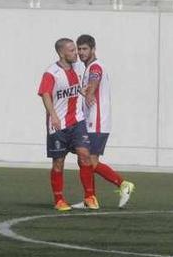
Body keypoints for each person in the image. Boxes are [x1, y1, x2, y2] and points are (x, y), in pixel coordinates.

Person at [75, 34, 136, 209]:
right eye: (79, 49)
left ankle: (124, 184)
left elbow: (95, 79)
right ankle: (89, 199)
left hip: (98, 121)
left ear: (93, 49)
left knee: (90, 161)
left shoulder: (95, 67)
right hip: (89, 121)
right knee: (83, 160)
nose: (81, 52)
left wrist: (89, 92)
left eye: (85, 49)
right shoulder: (87, 68)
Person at [38, 38, 97, 211]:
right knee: (58, 162)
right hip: (59, 124)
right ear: (62, 53)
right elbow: (45, 94)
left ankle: (89, 197)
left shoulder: (78, 67)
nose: (76, 53)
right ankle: (59, 200)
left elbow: (76, 86)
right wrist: (54, 116)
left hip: (77, 120)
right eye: (71, 50)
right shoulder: (51, 72)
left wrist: (82, 91)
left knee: (85, 155)